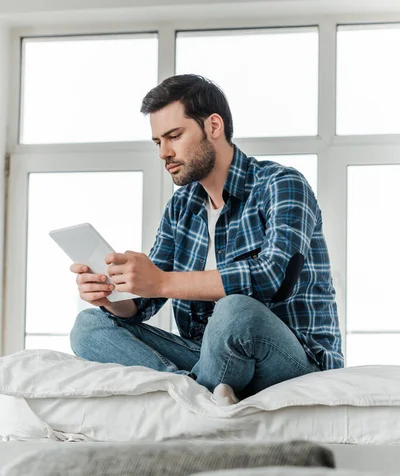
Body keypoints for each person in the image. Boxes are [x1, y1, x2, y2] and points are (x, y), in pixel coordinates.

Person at [70, 74, 344, 405]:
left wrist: (160, 281)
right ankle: (196, 389)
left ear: (213, 126)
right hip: (212, 358)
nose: (163, 153)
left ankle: (190, 394)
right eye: (158, 142)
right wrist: (110, 296)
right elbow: (144, 302)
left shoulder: (281, 184)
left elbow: (275, 276)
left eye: (174, 136)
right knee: (89, 325)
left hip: (291, 358)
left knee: (235, 309)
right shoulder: (182, 207)